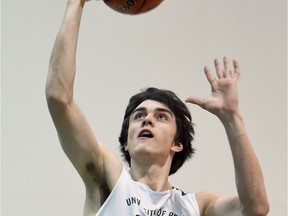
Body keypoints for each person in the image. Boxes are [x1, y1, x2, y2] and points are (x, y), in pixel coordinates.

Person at [45, 0, 270, 215]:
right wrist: (76, 3)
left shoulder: (195, 206)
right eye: (139, 116)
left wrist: (232, 117)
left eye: (161, 116)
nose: (147, 119)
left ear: (177, 143)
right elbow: (58, 97)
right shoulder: (108, 178)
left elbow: (255, 208)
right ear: (126, 141)